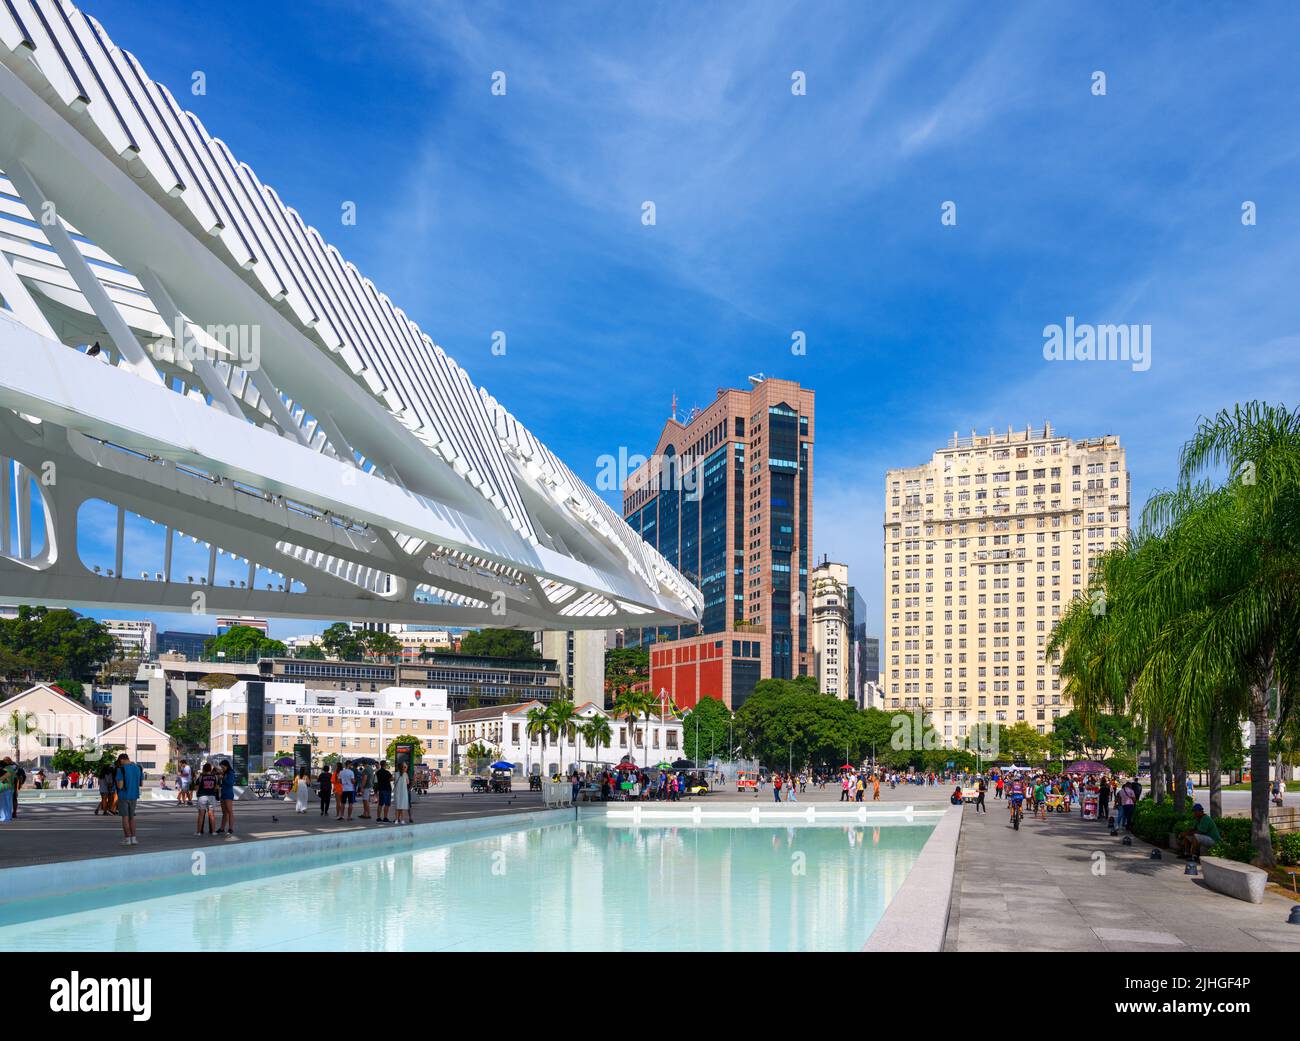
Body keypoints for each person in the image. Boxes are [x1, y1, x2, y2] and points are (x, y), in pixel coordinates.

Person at [114, 752, 144, 846]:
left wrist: (117, 783)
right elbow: (141, 784)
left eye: (120, 762)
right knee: (132, 818)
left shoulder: (121, 769)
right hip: (134, 795)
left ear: (122, 760)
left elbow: (120, 785)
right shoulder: (138, 768)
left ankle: (127, 839)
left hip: (124, 796)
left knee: (125, 818)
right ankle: (134, 839)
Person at [195, 763, 219, 835]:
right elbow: (217, 787)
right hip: (211, 796)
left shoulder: (201, 777)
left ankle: (199, 832)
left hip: (202, 796)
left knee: (201, 815)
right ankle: (213, 832)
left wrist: (198, 794)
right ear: (210, 769)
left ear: (204, 769)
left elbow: (197, 788)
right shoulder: (215, 777)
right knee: (211, 814)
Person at [215, 761, 236, 837]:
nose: (222, 769)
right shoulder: (224, 773)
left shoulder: (230, 773)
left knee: (229, 811)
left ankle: (230, 828)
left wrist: (223, 778)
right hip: (223, 794)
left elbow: (231, 783)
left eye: (223, 767)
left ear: (226, 766)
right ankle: (222, 828)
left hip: (228, 794)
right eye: (221, 767)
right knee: (224, 812)